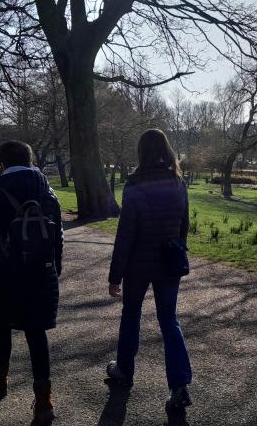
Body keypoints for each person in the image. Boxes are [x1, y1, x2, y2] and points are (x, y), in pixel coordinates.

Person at [0, 140, 63, 426]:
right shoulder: (48, 193)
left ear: (2, 163)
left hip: (3, 275)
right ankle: (43, 398)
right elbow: (57, 239)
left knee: (2, 326)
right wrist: (55, 272)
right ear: (30, 159)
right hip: (40, 274)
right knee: (36, 333)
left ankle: (0, 378)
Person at [106, 129, 193, 412]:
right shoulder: (178, 182)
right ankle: (179, 384)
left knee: (131, 315)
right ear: (166, 150)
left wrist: (115, 276)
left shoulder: (134, 185)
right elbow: (183, 225)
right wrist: (176, 249)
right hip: (168, 261)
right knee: (169, 320)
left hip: (138, 265)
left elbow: (126, 235)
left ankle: (125, 371)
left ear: (141, 152)